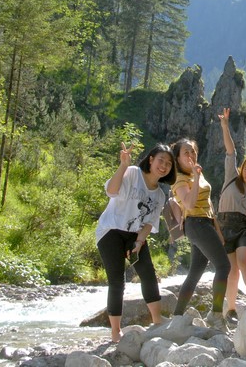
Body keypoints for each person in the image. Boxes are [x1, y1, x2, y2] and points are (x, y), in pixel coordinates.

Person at [95, 142, 176, 342]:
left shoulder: (160, 195)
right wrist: (123, 165)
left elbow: (149, 223)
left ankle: (157, 321)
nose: (164, 166)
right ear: (151, 160)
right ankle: (116, 332)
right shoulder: (132, 173)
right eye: (161, 160)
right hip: (111, 230)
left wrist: (140, 241)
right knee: (117, 281)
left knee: (148, 274)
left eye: (168, 163)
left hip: (134, 235)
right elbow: (111, 191)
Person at [170, 137, 231, 332]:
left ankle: (177, 316)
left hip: (205, 223)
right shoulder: (179, 179)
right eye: (186, 152)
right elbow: (189, 204)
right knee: (223, 266)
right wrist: (196, 178)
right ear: (177, 158)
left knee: (195, 273)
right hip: (195, 223)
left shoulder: (197, 173)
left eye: (193, 151)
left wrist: (218, 231)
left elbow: (209, 205)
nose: (191, 155)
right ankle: (216, 314)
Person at [216, 108, 246, 323]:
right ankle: (231, 309)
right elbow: (231, 151)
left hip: (243, 228)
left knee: (244, 262)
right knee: (232, 270)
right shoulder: (231, 177)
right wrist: (225, 126)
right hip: (224, 225)